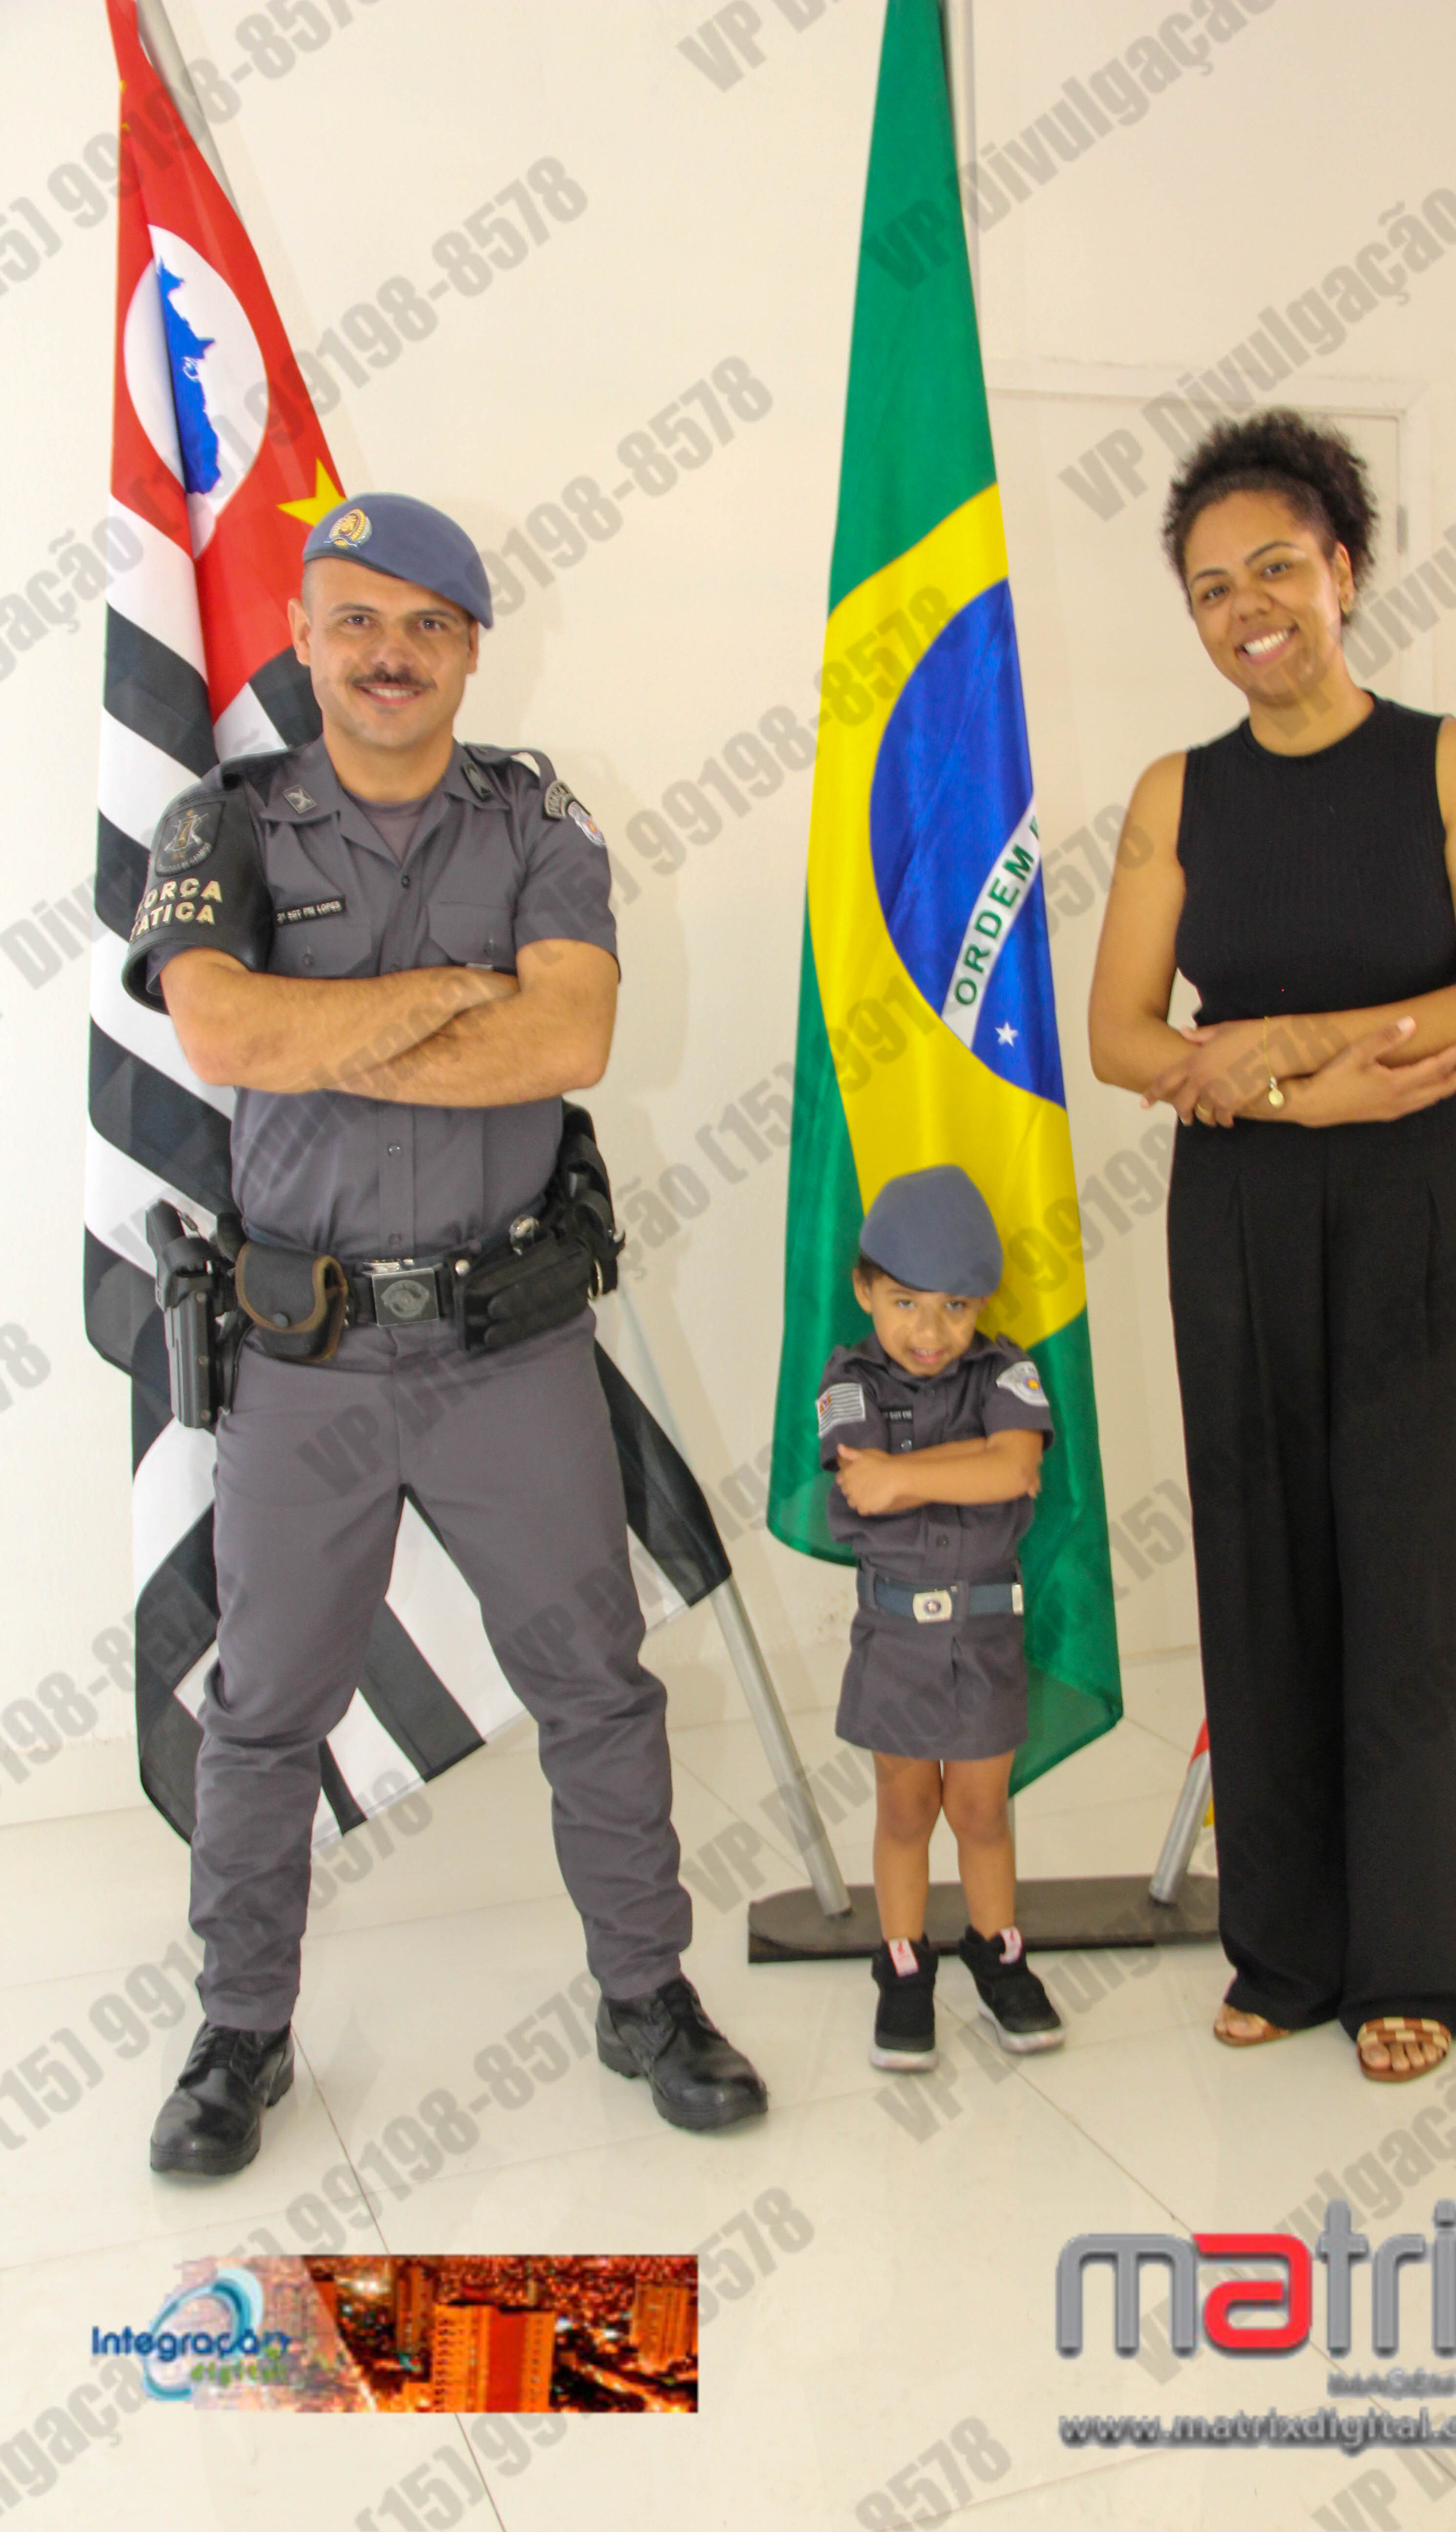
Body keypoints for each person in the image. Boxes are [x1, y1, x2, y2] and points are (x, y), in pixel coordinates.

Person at [124, 492, 767, 2172]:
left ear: (473, 647)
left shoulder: (539, 822)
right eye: (356, 619)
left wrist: (326, 1030)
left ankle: (646, 1993)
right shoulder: (224, 824)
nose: (389, 652)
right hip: (306, 1360)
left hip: (508, 1353)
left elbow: (567, 1043)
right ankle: (239, 2031)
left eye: (427, 624)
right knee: (263, 1710)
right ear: (306, 639)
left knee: (597, 1687)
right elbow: (220, 1033)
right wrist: (444, 1001)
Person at [1087, 411, 1456, 2085]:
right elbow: (1121, 1035)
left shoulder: (1450, 760)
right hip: (1241, 1206)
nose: (1248, 608)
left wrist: (1287, 1043)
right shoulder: (1175, 793)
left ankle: (1412, 1956)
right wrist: (1301, 1096)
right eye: (1212, 589)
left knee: (1406, 1572)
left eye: (1276, 567)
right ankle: (1284, 1947)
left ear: (1343, 570)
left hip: (1414, 1195)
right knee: (1259, 1557)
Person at [814, 1166, 1065, 2071]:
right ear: (864, 1291)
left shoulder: (1009, 1370)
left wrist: (909, 1473)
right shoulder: (848, 1380)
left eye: (956, 1307)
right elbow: (863, 1488)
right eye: (906, 1303)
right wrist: (971, 1463)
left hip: (987, 1631)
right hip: (897, 1639)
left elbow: (1016, 1471)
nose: (930, 1333)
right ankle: (903, 1966)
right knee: (907, 1806)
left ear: (982, 1304)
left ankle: (999, 1955)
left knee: (982, 1809)